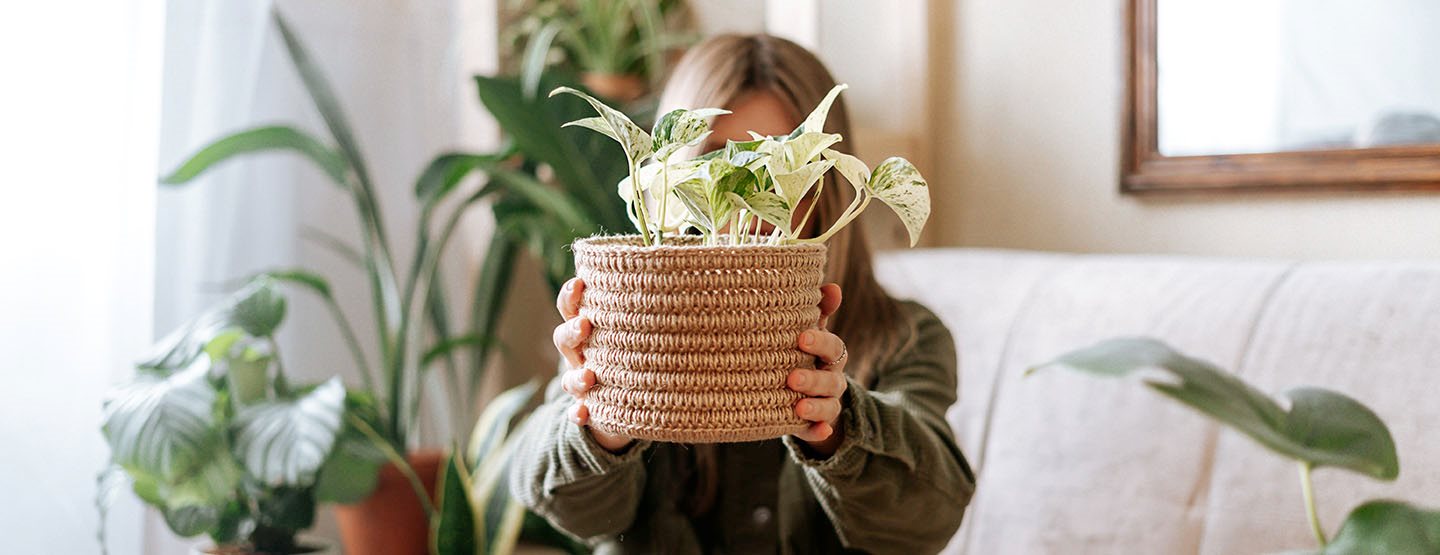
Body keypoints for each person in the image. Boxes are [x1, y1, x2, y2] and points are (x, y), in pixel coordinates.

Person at [509, 34, 975, 554]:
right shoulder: (628, 321)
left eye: (779, 168)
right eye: (714, 164)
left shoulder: (905, 336)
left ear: (828, 182)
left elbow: (929, 518)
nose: (746, 199)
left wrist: (840, 429)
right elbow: (570, 509)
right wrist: (606, 416)